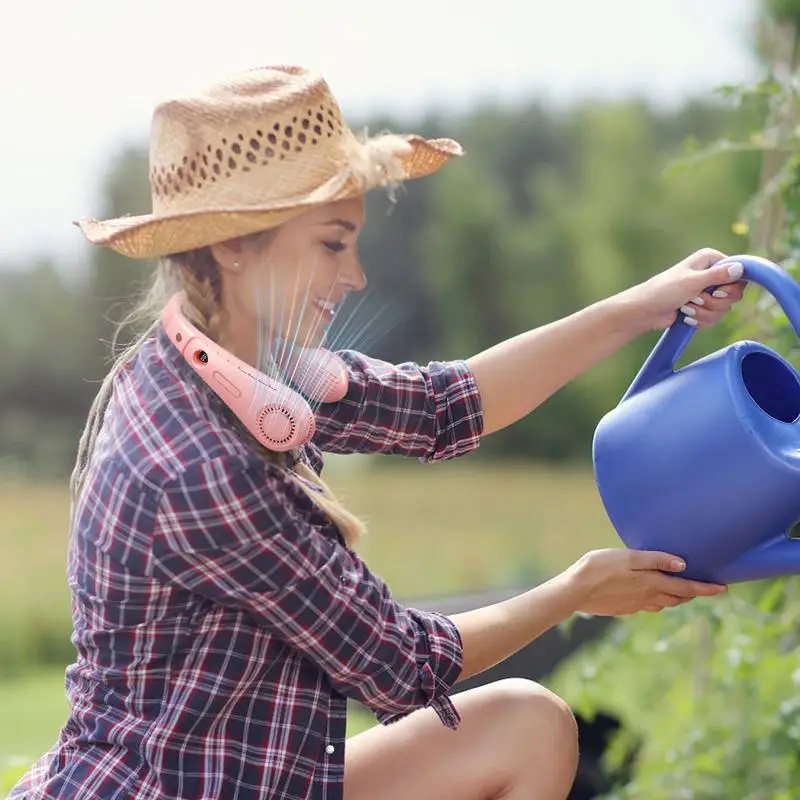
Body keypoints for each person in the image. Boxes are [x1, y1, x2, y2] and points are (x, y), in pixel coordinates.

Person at [10, 65, 743, 800]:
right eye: (333, 244)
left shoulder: (235, 366)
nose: (355, 275)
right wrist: (575, 590)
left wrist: (648, 304)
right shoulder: (200, 463)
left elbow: (447, 404)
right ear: (234, 246)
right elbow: (402, 663)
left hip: (263, 779)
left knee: (529, 725)